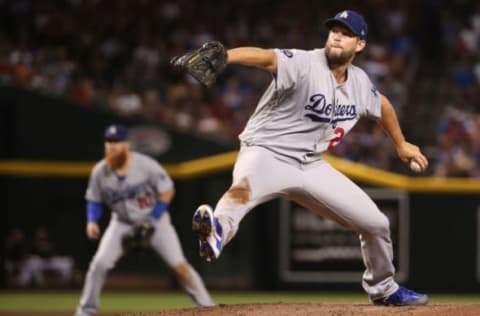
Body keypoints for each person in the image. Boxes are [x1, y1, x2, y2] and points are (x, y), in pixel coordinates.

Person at [191, 10, 430, 306]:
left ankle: (384, 288)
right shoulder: (305, 62)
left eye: (346, 33)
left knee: (376, 224)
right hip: (267, 152)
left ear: (360, 45)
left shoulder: (358, 81)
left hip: (311, 165)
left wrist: (401, 144)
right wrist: (227, 55)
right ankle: (216, 232)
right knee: (241, 191)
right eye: (334, 30)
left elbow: (381, 104)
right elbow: (266, 58)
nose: (337, 36)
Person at [75, 124, 214, 316]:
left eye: (117, 141)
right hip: (121, 223)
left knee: (180, 266)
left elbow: (167, 191)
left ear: (127, 144)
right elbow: (93, 199)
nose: (113, 146)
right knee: (99, 263)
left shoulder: (145, 164)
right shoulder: (100, 171)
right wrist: (92, 221)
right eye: (109, 142)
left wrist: (152, 218)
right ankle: (85, 311)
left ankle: (208, 308)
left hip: (155, 221)